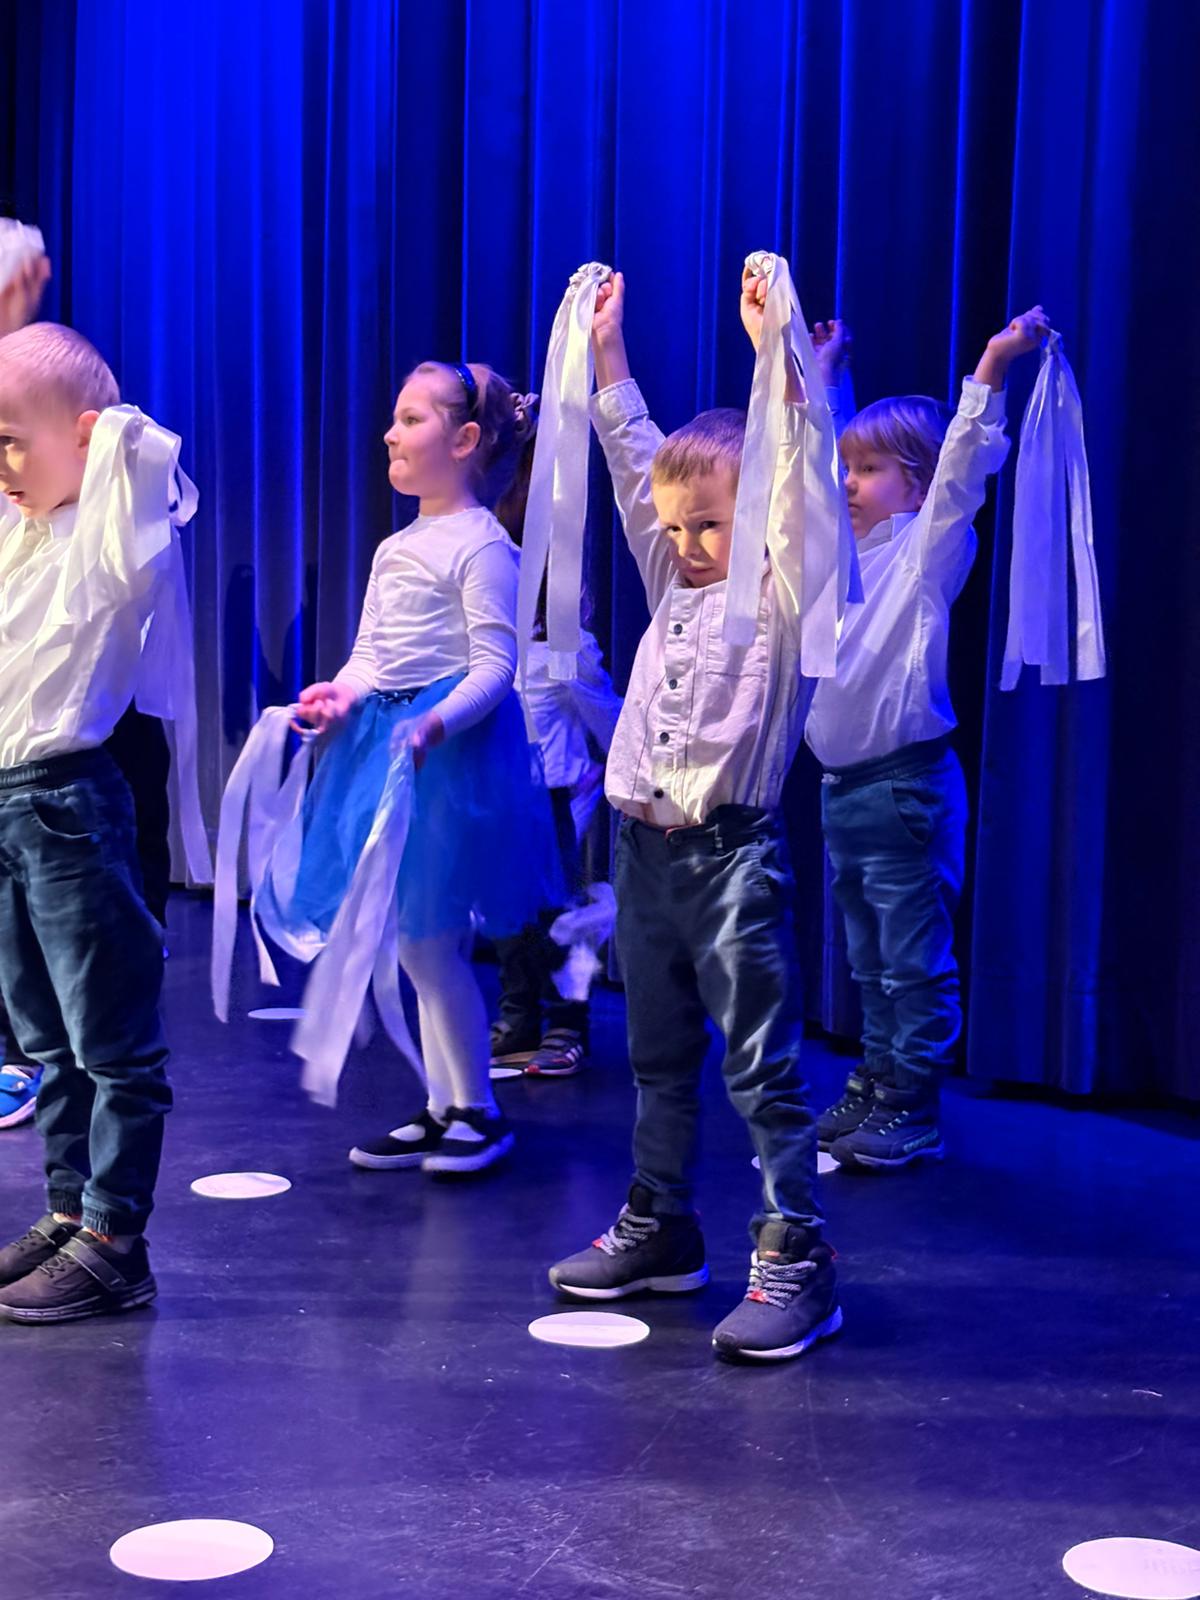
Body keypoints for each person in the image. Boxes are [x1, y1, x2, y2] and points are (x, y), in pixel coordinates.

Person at [547, 267, 842, 1363]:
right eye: (676, 527)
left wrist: (779, 357)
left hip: (730, 863)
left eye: (710, 524)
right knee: (658, 1057)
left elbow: (799, 478)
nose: (685, 543)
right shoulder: (675, 582)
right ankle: (663, 1223)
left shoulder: (780, 595)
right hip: (645, 855)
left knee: (760, 1067)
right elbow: (633, 462)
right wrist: (607, 353)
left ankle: (795, 1252)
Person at [283, 361, 563, 1175]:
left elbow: (495, 667)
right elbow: (372, 655)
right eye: (394, 419)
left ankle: (475, 1108)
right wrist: (339, 694)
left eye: (411, 420)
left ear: (466, 439)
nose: (390, 434)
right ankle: (446, 1105)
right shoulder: (396, 547)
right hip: (393, 750)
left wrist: (434, 721)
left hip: (451, 762)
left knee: (434, 942)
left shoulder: (484, 546)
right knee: (415, 943)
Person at [805, 307, 1050, 1169]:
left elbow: (962, 470)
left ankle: (913, 1104)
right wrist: (829, 375)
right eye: (850, 468)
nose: (849, 483)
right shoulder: (846, 557)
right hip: (846, 792)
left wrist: (991, 364)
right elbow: (820, 467)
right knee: (870, 958)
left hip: (903, 788)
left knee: (911, 959)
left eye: (871, 471)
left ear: (916, 485)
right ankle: (880, 1081)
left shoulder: (924, 550)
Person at [0, 252, 194, 1324]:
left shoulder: (119, 535)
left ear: (86, 441)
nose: (2, 464)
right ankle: (70, 1207)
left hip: (70, 805)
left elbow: (139, 450)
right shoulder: (17, 529)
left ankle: (117, 1238)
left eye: (12, 441)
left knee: (109, 1036)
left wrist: (99, 426)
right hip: (8, 809)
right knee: (44, 1036)